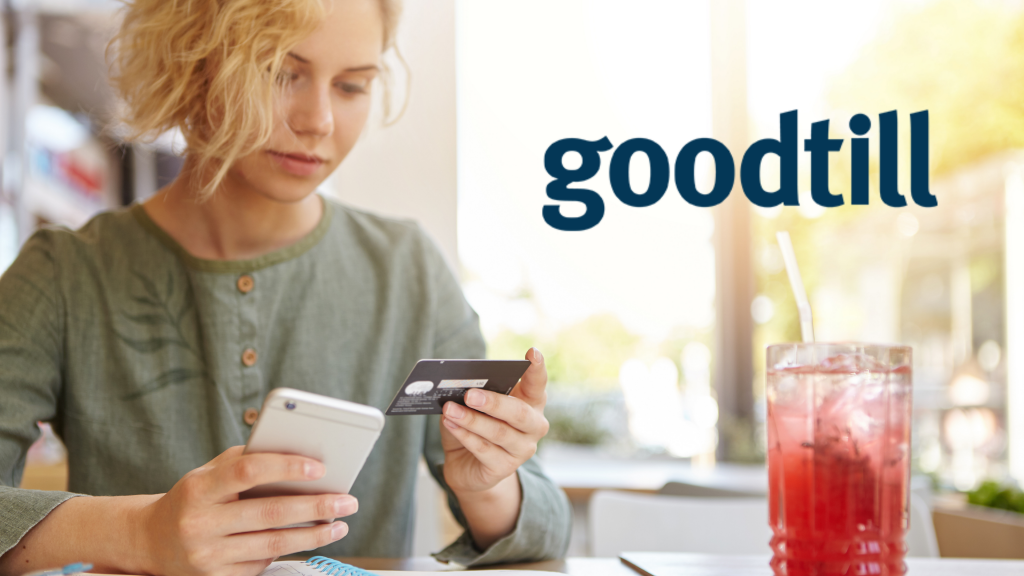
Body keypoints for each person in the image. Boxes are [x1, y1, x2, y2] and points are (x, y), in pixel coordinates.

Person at [0, 0, 572, 574]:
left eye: (351, 86)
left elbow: (545, 527)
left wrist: (486, 486)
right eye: (281, 72)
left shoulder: (408, 269)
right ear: (192, 61)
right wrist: (139, 533)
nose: (318, 119)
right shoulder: (65, 274)